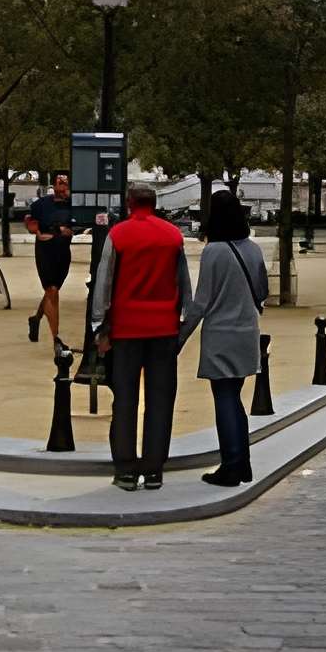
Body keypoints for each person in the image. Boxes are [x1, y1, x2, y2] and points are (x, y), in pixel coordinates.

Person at [88, 183, 191, 489]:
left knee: (125, 399)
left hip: (126, 329)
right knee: (160, 400)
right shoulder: (173, 236)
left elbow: (104, 283)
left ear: (129, 202)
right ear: (155, 203)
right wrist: (180, 327)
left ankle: (125, 469)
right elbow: (184, 286)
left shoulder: (118, 235)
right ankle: (154, 469)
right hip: (163, 328)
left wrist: (99, 326)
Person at [178, 190, 269, 486]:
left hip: (221, 334)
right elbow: (263, 292)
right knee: (235, 397)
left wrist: (179, 338)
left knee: (225, 398)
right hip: (247, 332)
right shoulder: (254, 249)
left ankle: (231, 465)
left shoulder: (213, 251)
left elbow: (201, 302)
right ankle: (243, 463)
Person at [23, 172, 79, 347]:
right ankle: (56, 338)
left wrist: (71, 231)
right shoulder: (41, 205)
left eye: (66, 185)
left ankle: (36, 318)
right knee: (52, 291)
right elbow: (30, 222)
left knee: (52, 292)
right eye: (59, 184)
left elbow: (80, 225)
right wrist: (38, 232)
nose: (62, 188)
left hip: (63, 253)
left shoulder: (74, 205)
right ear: (53, 185)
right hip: (45, 251)